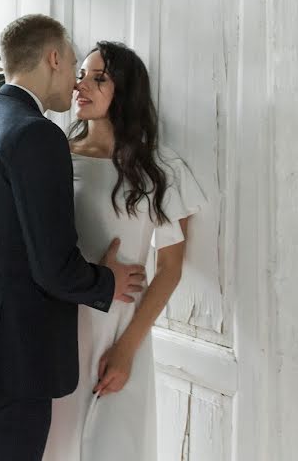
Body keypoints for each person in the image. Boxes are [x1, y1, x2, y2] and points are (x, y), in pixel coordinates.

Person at [0, 15, 146, 461]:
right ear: (54, 58)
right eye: (74, 65)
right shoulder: (36, 134)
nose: (76, 83)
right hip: (15, 358)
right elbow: (53, 266)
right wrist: (107, 280)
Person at [42, 41, 206, 461]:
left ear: (126, 93)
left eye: (100, 79)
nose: (82, 86)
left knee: (116, 448)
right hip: (59, 330)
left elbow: (170, 269)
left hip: (121, 334)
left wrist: (127, 349)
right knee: (54, 447)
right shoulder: (55, 156)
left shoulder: (160, 170)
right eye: (83, 75)